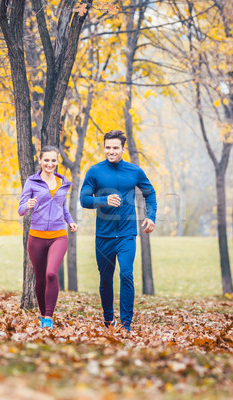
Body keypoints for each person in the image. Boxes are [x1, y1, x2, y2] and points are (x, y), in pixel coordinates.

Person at [80, 130, 157, 332]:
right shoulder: (95, 171)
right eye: (108, 147)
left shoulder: (135, 171)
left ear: (123, 149)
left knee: (126, 275)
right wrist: (102, 200)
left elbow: (150, 193)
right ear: (104, 148)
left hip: (126, 234)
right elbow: (84, 199)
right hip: (104, 236)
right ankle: (108, 320)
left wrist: (151, 216)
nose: (111, 151)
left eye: (115, 148)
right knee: (105, 279)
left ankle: (126, 325)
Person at [18, 146, 79, 329]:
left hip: (58, 235)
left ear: (57, 162)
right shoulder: (32, 182)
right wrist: (27, 205)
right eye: (46, 160)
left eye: (53, 160)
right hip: (36, 237)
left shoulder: (64, 183)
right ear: (40, 161)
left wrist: (70, 221)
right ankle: (43, 316)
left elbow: (62, 207)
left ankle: (49, 317)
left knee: (51, 273)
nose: (50, 164)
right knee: (40, 278)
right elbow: (20, 209)